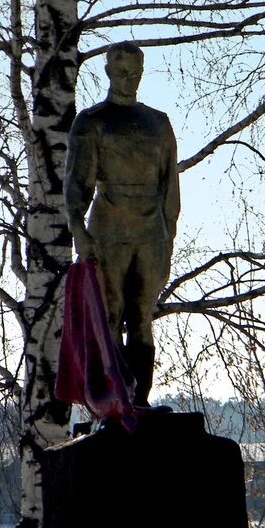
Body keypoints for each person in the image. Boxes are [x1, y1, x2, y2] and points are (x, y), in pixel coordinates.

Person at [64, 42, 180, 406]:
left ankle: (139, 400)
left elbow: (169, 184)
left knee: (142, 314)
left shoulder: (157, 122)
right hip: (109, 228)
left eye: (135, 72)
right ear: (109, 73)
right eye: (122, 72)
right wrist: (77, 228)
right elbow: (77, 181)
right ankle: (116, 399)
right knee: (111, 314)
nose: (129, 79)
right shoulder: (92, 121)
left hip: (150, 231)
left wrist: (168, 231)